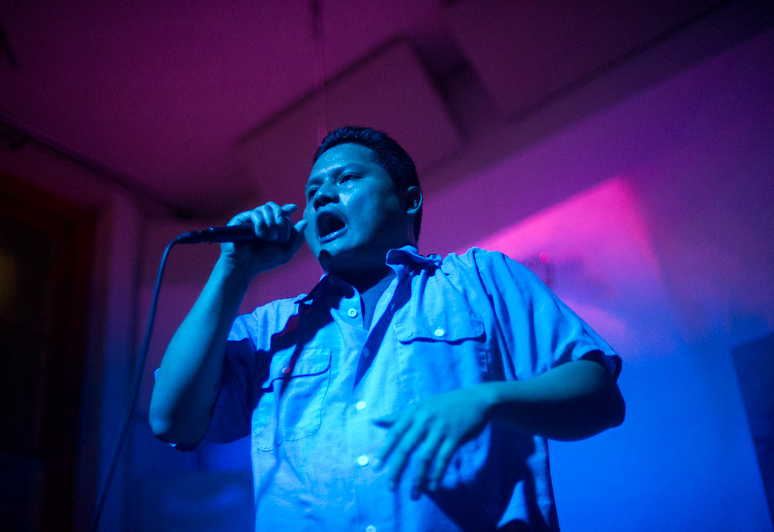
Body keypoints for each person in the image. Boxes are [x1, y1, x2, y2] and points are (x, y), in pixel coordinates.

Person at [149, 126, 625, 532]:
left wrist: (487, 399)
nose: (321, 197)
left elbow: (600, 396)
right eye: (312, 192)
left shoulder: (481, 279)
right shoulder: (271, 328)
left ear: (409, 199)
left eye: (347, 179)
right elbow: (171, 420)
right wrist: (234, 270)